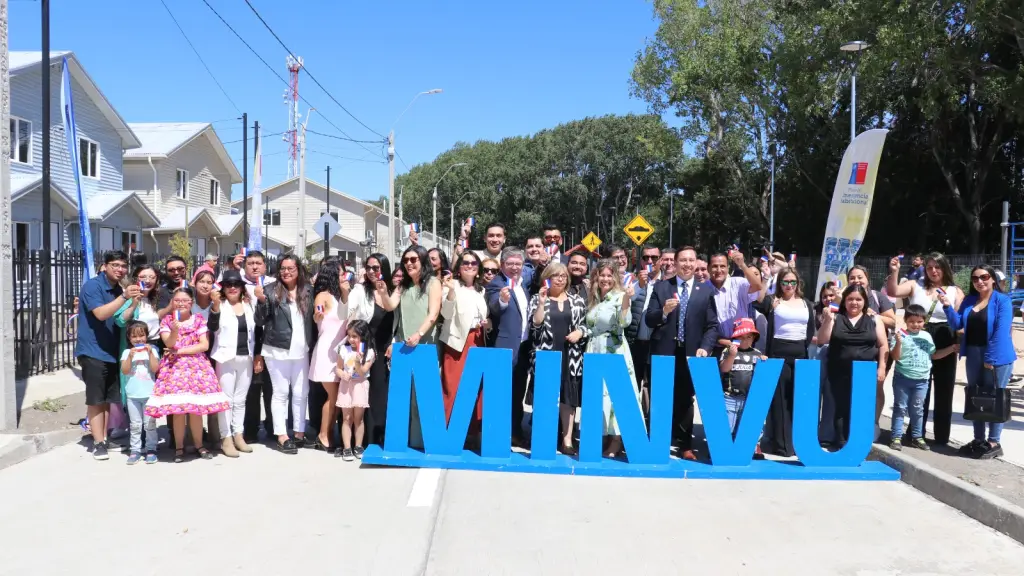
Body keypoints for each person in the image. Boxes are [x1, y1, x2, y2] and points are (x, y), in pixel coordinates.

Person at [645, 246, 719, 460]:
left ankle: (685, 443)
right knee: (661, 396)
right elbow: (650, 319)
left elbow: (712, 325)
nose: (687, 264)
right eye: (683, 260)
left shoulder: (705, 290)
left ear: (696, 263)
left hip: (691, 353)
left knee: (686, 400)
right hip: (665, 350)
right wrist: (664, 312)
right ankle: (657, 441)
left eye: (691, 260)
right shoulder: (661, 287)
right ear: (675, 263)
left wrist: (705, 347)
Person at [886, 253, 963, 445]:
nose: (934, 271)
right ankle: (915, 434)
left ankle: (941, 437)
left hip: (946, 336)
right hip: (919, 336)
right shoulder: (915, 285)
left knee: (945, 388)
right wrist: (894, 272)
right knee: (920, 386)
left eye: (937, 267)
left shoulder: (955, 291)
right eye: (929, 267)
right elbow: (893, 291)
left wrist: (960, 343)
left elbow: (960, 321)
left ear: (945, 268)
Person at [145, 286, 229, 463]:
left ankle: (199, 445)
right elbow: (169, 342)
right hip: (174, 370)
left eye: (185, 300)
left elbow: (204, 345)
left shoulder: (198, 320)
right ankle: (179, 447)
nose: (181, 303)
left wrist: (180, 351)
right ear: (172, 302)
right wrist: (175, 330)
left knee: (196, 410)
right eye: (177, 300)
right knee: (178, 411)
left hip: (197, 369)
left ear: (191, 303)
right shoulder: (167, 321)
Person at [944, 265, 1016, 459]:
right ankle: (978, 439)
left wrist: (991, 357)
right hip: (974, 354)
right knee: (975, 396)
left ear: (992, 279)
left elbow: (1001, 331)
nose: (980, 281)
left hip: (997, 355)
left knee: (995, 397)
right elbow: (958, 324)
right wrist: (946, 306)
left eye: (984, 277)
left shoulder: (1003, 301)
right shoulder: (969, 300)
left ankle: (994, 441)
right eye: (975, 278)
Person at [377, 245, 443, 450]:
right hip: (406, 347)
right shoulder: (402, 286)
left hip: (426, 344)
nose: (409, 263)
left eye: (413, 259)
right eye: (406, 260)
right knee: (407, 395)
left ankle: (424, 441)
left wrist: (419, 333)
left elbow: (433, 314)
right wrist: (383, 293)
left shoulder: (433, 283)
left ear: (422, 261)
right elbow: (390, 306)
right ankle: (409, 441)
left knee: (423, 396)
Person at [77, 250, 139, 460]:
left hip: (112, 352)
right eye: (115, 265)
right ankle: (98, 443)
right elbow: (101, 314)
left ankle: (103, 437)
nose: (120, 270)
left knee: (107, 399)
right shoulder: (93, 286)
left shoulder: (117, 289)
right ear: (105, 266)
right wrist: (124, 297)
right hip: (93, 351)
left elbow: (122, 319)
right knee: (96, 399)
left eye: (123, 266)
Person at [255, 254, 314, 454]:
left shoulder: (307, 291)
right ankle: (282, 435)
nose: (286, 272)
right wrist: (262, 301)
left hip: (301, 350)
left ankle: (298, 433)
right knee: (281, 393)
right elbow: (260, 321)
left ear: (298, 270)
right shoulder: (270, 291)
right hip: (276, 350)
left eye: (291, 268)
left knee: (301, 392)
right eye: (283, 268)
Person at [526, 261, 587, 455]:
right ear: (547, 278)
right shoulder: (537, 298)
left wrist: (580, 332)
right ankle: (544, 437)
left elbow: (586, 325)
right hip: (546, 354)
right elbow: (534, 326)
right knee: (545, 397)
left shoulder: (576, 300)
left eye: (563, 276)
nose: (560, 279)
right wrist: (543, 304)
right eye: (555, 275)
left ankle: (567, 440)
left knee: (568, 399)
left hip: (571, 355)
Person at [755, 266, 816, 457]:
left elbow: (810, 329)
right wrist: (766, 278)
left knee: (798, 400)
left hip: (800, 354)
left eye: (792, 282)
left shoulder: (806, 303)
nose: (789, 285)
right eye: (785, 282)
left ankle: (800, 443)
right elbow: (757, 300)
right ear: (779, 283)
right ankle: (783, 445)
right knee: (780, 400)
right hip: (778, 353)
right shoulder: (774, 301)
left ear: (798, 283)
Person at [816, 285, 888, 446]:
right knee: (839, 409)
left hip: (864, 373)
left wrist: (882, 367)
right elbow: (822, 340)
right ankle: (840, 442)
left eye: (858, 299)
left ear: (865, 301)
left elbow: (883, 345)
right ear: (844, 301)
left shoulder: (874, 320)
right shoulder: (836, 318)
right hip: (838, 372)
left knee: (861, 409)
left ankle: (858, 444)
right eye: (850, 299)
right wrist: (827, 320)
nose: (854, 303)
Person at [584, 259, 640, 457]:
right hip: (594, 351)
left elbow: (623, 322)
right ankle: (601, 435)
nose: (605, 279)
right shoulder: (594, 298)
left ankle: (616, 440)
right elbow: (590, 326)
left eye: (610, 275)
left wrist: (626, 300)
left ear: (615, 277)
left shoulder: (620, 297)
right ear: (596, 277)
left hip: (614, 351)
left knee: (615, 396)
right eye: (602, 275)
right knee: (599, 395)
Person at [889, 304, 954, 451]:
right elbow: (895, 356)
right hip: (902, 378)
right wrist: (898, 342)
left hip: (922, 380)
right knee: (900, 408)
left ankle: (917, 437)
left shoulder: (926, 336)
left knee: (918, 409)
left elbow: (934, 355)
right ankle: (896, 437)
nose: (915, 325)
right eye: (912, 321)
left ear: (924, 322)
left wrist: (951, 349)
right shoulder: (901, 335)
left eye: (919, 321)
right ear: (905, 320)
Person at [440, 251, 489, 438]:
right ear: (459, 268)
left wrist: (486, 323)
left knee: (474, 388)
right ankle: (448, 433)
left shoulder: (481, 290)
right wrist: (451, 291)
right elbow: (445, 314)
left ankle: (470, 434)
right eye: (465, 263)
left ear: (478, 269)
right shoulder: (451, 286)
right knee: (452, 387)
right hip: (457, 341)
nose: (469, 265)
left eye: (474, 263)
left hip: (478, 339)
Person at [347, 254, 395, 447]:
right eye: (369, 267)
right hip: (366, 349)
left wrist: (394, 341)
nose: (372, 271)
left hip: (386, 349)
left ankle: (380, 435)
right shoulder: (360, 290)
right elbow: (348, 312)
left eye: (376, 267)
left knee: (381, 394)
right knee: (363, 392)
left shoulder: (392, 291)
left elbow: (398, 321)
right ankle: (362, 439)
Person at [486, 247, 532, 445]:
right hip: (505, 347)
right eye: (510, 264)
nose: (515, 267)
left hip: (523, 347)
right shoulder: (496, 284)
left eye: (518, 264)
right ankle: (499, 434)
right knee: (503, 392)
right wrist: (502, 301)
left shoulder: (523, 284)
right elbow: (495, 306)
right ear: (502, 265)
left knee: (518, 391)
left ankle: (515, 432)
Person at [209, 270, 256, 457]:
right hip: (225, 357)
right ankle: (225, 437)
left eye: (236, 284)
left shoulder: (249, 305)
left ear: (242, 287)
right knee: (226, 400)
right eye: (228, 285)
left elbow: (257, 328)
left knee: (240, 400)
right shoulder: (219, 305)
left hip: (247, 357)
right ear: (223, 288)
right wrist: (214, 305)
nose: (233, 288)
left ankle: (238, 434)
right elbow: (212, 327)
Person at [309, 258, 350, 451]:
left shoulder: (343, 295)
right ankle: (323, 435)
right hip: (327, 350)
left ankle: (329, 435)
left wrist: (345, 291)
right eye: (341, 272)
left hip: (342, 350)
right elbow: (317, 313)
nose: (345, 275)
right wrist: (318, 314)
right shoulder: (322, 296)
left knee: (339, 397)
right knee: (333, 396)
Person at [718, 318, 766, 461]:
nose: (745, 340)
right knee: (727, 427)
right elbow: (724, 369)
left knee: (746, 427)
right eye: (741, 337)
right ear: (735, 337)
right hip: (730, 397)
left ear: (754, 338)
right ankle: (721, 449)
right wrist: (732, 355)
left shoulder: (756, 353)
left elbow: (761, 376)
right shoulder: (728, 351)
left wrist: (764, 363)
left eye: (749, 337)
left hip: (748, 399)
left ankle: (749, 448)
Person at [241, 250, 275, 443]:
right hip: (248, 342)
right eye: (250, 263)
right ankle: (250, 429)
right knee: (252, 390)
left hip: (271, 342)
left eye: (258, 263)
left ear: (264, 265)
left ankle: (273, 427)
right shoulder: (238, 286)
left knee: (272, 389)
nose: (255, 266)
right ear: (245, 266)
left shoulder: (274, 284)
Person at [335, 320, 376, 461]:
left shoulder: (369, 353)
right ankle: (347, 447)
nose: (351, 339)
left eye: (355, 336)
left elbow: (363, 372)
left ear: (363, 336)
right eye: (349, 336)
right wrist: (342, 375)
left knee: (358, 418)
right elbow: (338, 368)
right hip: (346, 386)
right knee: (347, 418)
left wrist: (358, 361)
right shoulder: (343, 350)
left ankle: (358, 446)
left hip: (360, 385)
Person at [119, 321, 160, 465]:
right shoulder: (126, 352)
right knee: (135, 425)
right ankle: (135, 450)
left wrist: (149, 353)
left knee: (150, 424)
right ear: (129, 338)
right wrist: (130, 356)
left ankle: (151, 449)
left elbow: (155, 369)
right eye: (134, 336)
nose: (138, 339)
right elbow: (124, 371)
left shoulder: (152, 350)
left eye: (142, 335)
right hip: (132, 395)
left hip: (149, 394)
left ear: (147, 336)